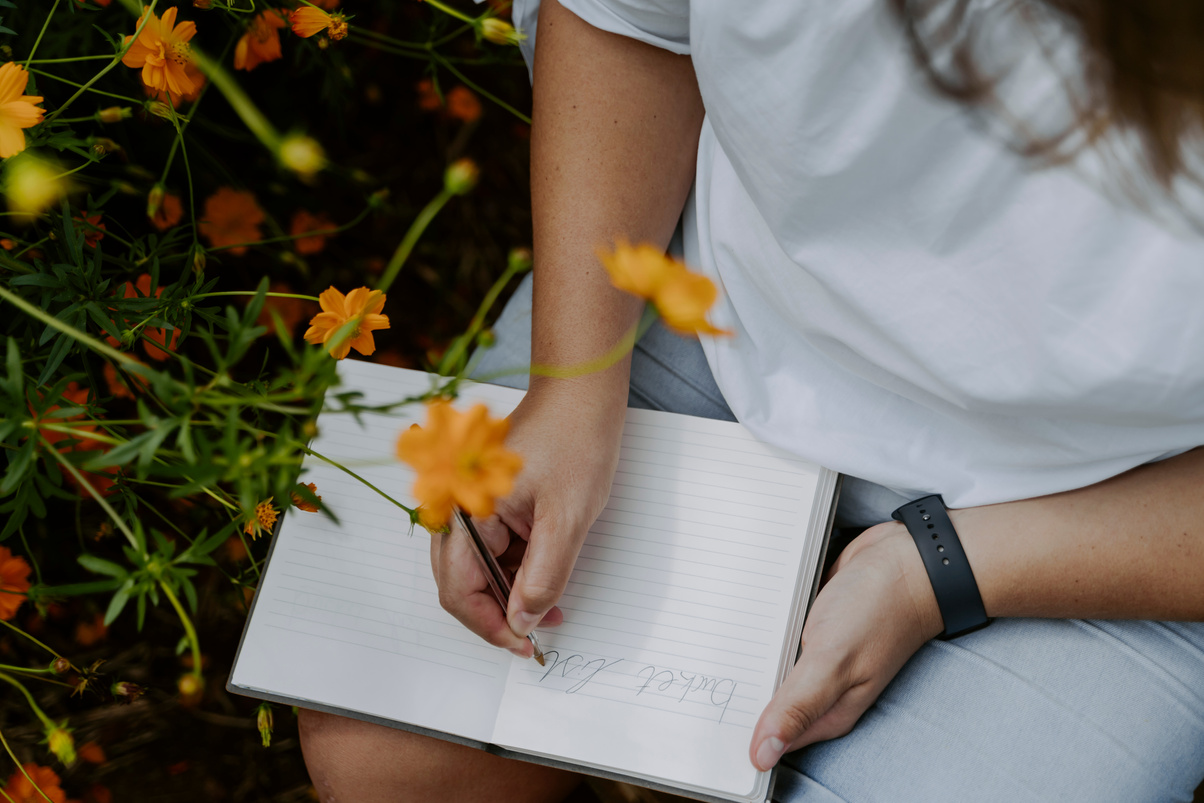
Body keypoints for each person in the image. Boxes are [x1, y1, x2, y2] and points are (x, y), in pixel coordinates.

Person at [297, 1, 1204, 800]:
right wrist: (573, 384)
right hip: (715, 314)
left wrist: (941, 569)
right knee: (389, 754)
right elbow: (631, 23)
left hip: (1120, 512)